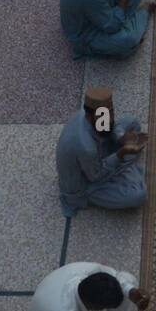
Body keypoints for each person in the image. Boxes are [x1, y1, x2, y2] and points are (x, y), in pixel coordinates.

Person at [55, 87, 148, 217]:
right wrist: (121, 153)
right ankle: (126, 169)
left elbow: (111, 126)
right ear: (89, 115)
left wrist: (121, 137)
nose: (109, 119)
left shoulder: (88, 113)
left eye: (111, 112)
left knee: (132, 122)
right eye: (104, 116)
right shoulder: (86, 147)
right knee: (138, 196)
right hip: (86, 185)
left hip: (99, 152)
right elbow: (96, 176)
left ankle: (126, 164)